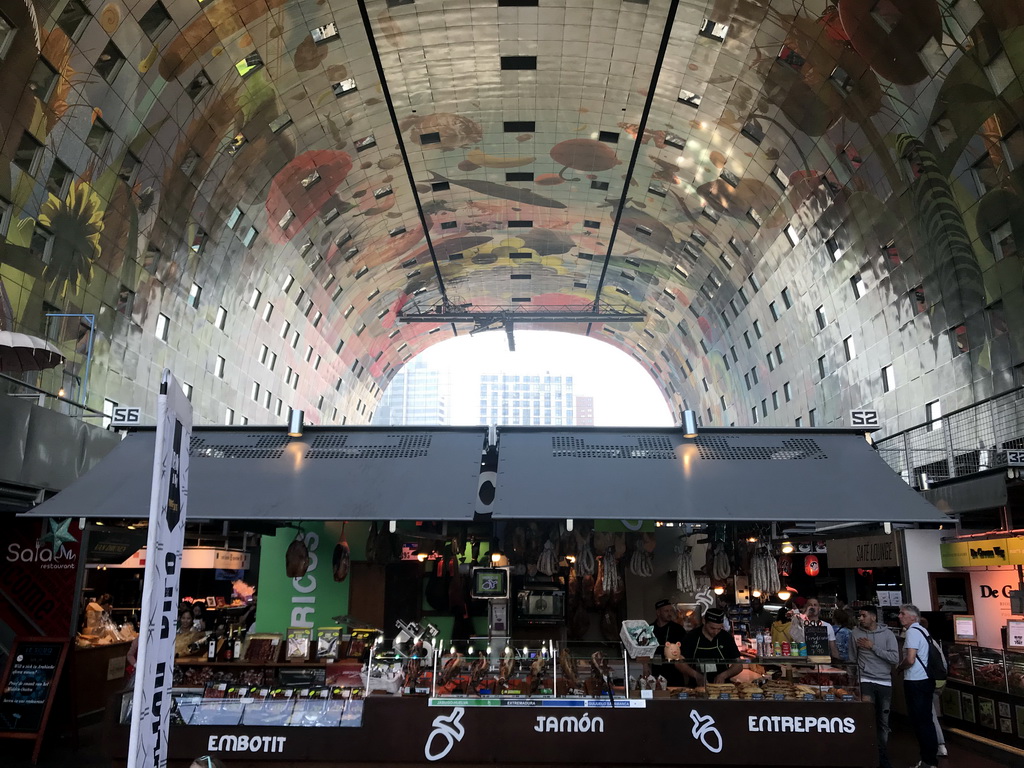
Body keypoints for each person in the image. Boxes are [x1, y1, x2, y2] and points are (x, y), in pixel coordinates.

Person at [851, 605, 899, 768]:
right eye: (859, 616)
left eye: (864, 615)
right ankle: (866, 754)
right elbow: (852, 658)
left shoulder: (888, 634)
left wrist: (873, 647)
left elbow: (894, 658)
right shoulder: (855, 633)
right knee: (866, 717)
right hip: (864, 679)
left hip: (884, 681)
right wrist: (854, 681)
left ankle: (882, 756)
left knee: (883, 721)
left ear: (873, 617)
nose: (861, 618)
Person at [897, 603, 938, 768]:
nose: (899, 616)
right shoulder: (923, 630)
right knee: (927, 720)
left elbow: (911, 659)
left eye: (902, 613)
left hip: (916, 681)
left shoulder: (912, 632)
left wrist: (900, 667)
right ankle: (930, 758)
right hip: (927, 680)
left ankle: (928, 760)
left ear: (913, 617)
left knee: (920, 721)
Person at [678, 607, 742, 684]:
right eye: (712, 628)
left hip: (722, 687)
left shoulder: (726, 637)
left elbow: (738, 665)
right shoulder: (691, 636)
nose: (716, 632)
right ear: (704, 621)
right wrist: (696, 676)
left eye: (719, 628)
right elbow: (679, 663)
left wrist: (723, 675)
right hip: (697, 686)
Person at [643, 598, 689, 686]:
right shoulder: (649, 629)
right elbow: (644, 649)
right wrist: (645, 665)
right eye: (666, 611)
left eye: (671, 610)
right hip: (655, 669)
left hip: (674, 670)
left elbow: (684, 650)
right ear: (658, 612)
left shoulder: (678, 629)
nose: (670, 613)